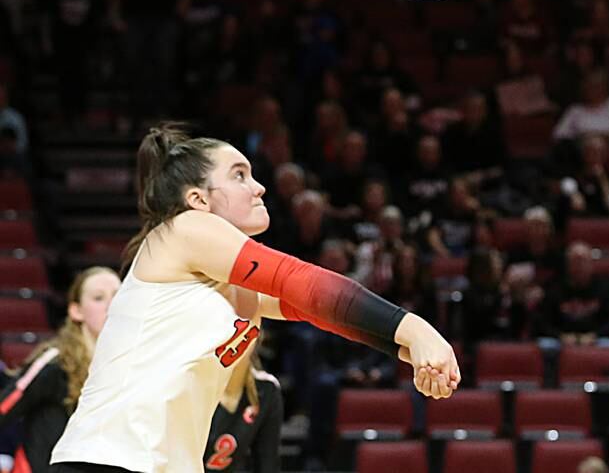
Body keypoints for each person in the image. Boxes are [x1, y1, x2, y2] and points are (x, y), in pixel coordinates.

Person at [50, 123, 459, 472]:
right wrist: (417, 328)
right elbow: (303, 282)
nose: (259, 187)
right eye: (239, 175)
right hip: (106, 459)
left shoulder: (229, 285)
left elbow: (324, 310)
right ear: (198, 199)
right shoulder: (185, 229)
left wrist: (408, 349)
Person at [0, 267, 120, 473]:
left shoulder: (131, 365)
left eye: (119, 296)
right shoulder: (55, 363)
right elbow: (4, 408)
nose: (112, 305)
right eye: (99, 298)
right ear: (76, 311)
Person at [204, 340, 282, 473]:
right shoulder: (188, 385)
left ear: (257, 333)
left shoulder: (266, 390)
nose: (236, 337)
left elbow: (267, 464)